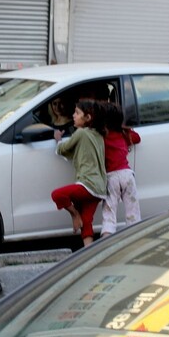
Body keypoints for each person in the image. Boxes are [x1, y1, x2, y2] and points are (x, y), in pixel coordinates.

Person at [51, 99, 107, 247]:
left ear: (87, 118)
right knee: (86, 221)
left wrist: (58, 139)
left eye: (77, 113)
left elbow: (62, 149)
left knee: (57, 194)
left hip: (87, 184)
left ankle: (75, 215)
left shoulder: (81, 133)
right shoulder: (98, 135)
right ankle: (88, 252)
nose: (73, 115)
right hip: (100, 189)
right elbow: (77, 153)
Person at [99, 101, 141, 238]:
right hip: (127, 175)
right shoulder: (123, 134)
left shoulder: (101, 137)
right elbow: (137, 138)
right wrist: (126, 128)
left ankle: (106, 237)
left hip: (111, 177)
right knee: (132, 211)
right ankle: (135, 238)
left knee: (109, 212)